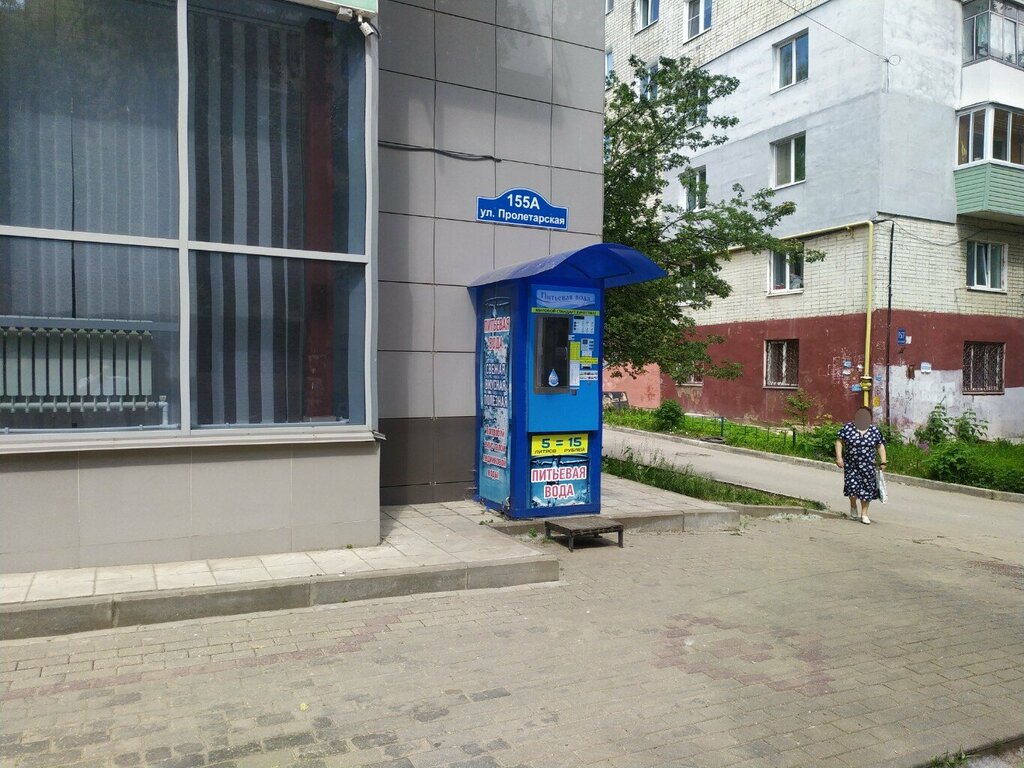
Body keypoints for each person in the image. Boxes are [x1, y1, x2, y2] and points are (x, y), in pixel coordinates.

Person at [835, 406, 887, 525]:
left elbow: (880, 446)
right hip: (851, 465)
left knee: (867, 490)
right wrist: (839, 457)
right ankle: (853, 505)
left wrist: (883, 461)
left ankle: (864, 514)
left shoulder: (874, 430)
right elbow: (839, 441)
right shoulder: (848, 428)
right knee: (852, 488)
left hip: (868, 466)